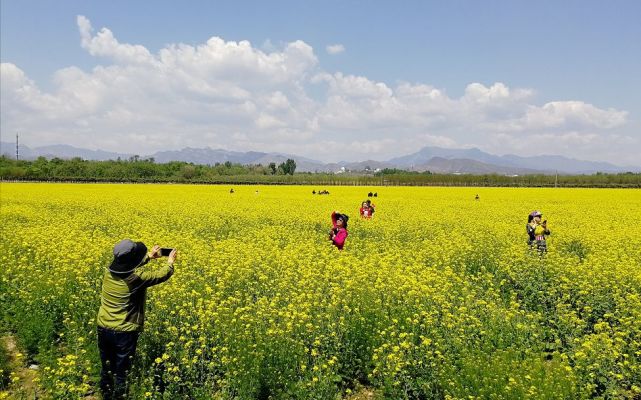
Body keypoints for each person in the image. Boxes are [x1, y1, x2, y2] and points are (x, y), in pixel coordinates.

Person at [97, 239, 176, 400]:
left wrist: (148, 257)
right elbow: (161, 275)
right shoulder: (136, 279)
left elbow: (126, 268)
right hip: (124, 331)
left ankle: (105, 394)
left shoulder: (108, 273)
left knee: (107, 365)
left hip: (103, 326)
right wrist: (170, 262)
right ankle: (119, 396)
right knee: (122, 369)